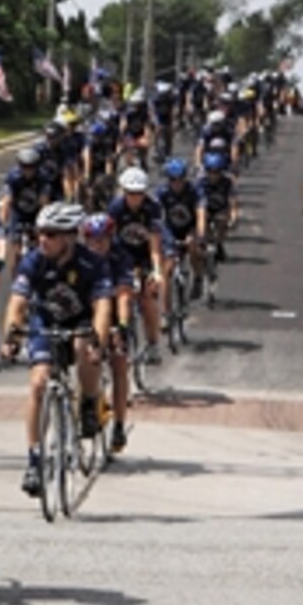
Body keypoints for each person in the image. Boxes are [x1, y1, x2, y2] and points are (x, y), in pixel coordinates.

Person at [1, 202, 111, 495]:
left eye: (50, 234)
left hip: (81, 321)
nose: (42, 240)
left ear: (69, 237)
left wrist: (98, 343)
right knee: (38, 383)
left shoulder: (92, 263)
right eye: (40, 233)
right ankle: (35, 460)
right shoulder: (33, 261)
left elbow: (102, 306)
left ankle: (89, 401)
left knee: (83, 346)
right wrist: (12, 335)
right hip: (45, 320)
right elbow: (17, 302)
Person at [81, 213, 131, 452]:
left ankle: (119, 424)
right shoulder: (80, 258)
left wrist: (121, 325)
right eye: (92, 239)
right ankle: (86, 403)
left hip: (112, 314)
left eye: (102, 239)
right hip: (86, 313)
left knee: (119, 363)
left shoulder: (120, 257)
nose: (97, 244)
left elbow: (122, 294)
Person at [108, 167, 164, 365]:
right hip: (122, 256)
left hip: (144, 256)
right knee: (117, 295)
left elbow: (155, 244)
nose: (135, 198)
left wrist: (156, 271)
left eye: (139, 193)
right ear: (124, 192)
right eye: (131, 193)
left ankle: (153, 343)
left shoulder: (152, 208)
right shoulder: (115, 208)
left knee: (147, 299)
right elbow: (108, 241)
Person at [156, 158, 206, 306]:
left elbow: (201, 213)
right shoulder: (162, 192)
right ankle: (166, 311)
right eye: (173, 180)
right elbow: (155, 216)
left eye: (180, 179)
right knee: (167, 269)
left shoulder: (194, 191)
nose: (177, 183)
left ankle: (198, 277)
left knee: (193, 249)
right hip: (170, 230)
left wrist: (200, 235)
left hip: (190, 227)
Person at [0, 148, 50, 276]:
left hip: (35, 212)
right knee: (15, 244)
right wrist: (1, 224)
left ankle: (40, 268)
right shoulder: (13, 177)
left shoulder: (43, 177)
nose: (28, 171)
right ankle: (14, 273)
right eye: (24, 167)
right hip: (18, 213)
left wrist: (43, 224)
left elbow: (44, 202)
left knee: (40, 242)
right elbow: (7, 201)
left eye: (31, 167)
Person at [196, 152, 240, 269]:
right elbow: (197, 202)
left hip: (221, 208)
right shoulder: (201, 181)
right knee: (203, 226)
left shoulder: (228, 181)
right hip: (205, 208)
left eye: (216, 172)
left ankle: (219, 243)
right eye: (210, 171)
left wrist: (234, 216)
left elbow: (233, 200)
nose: (213, 175)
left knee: (223, 222)